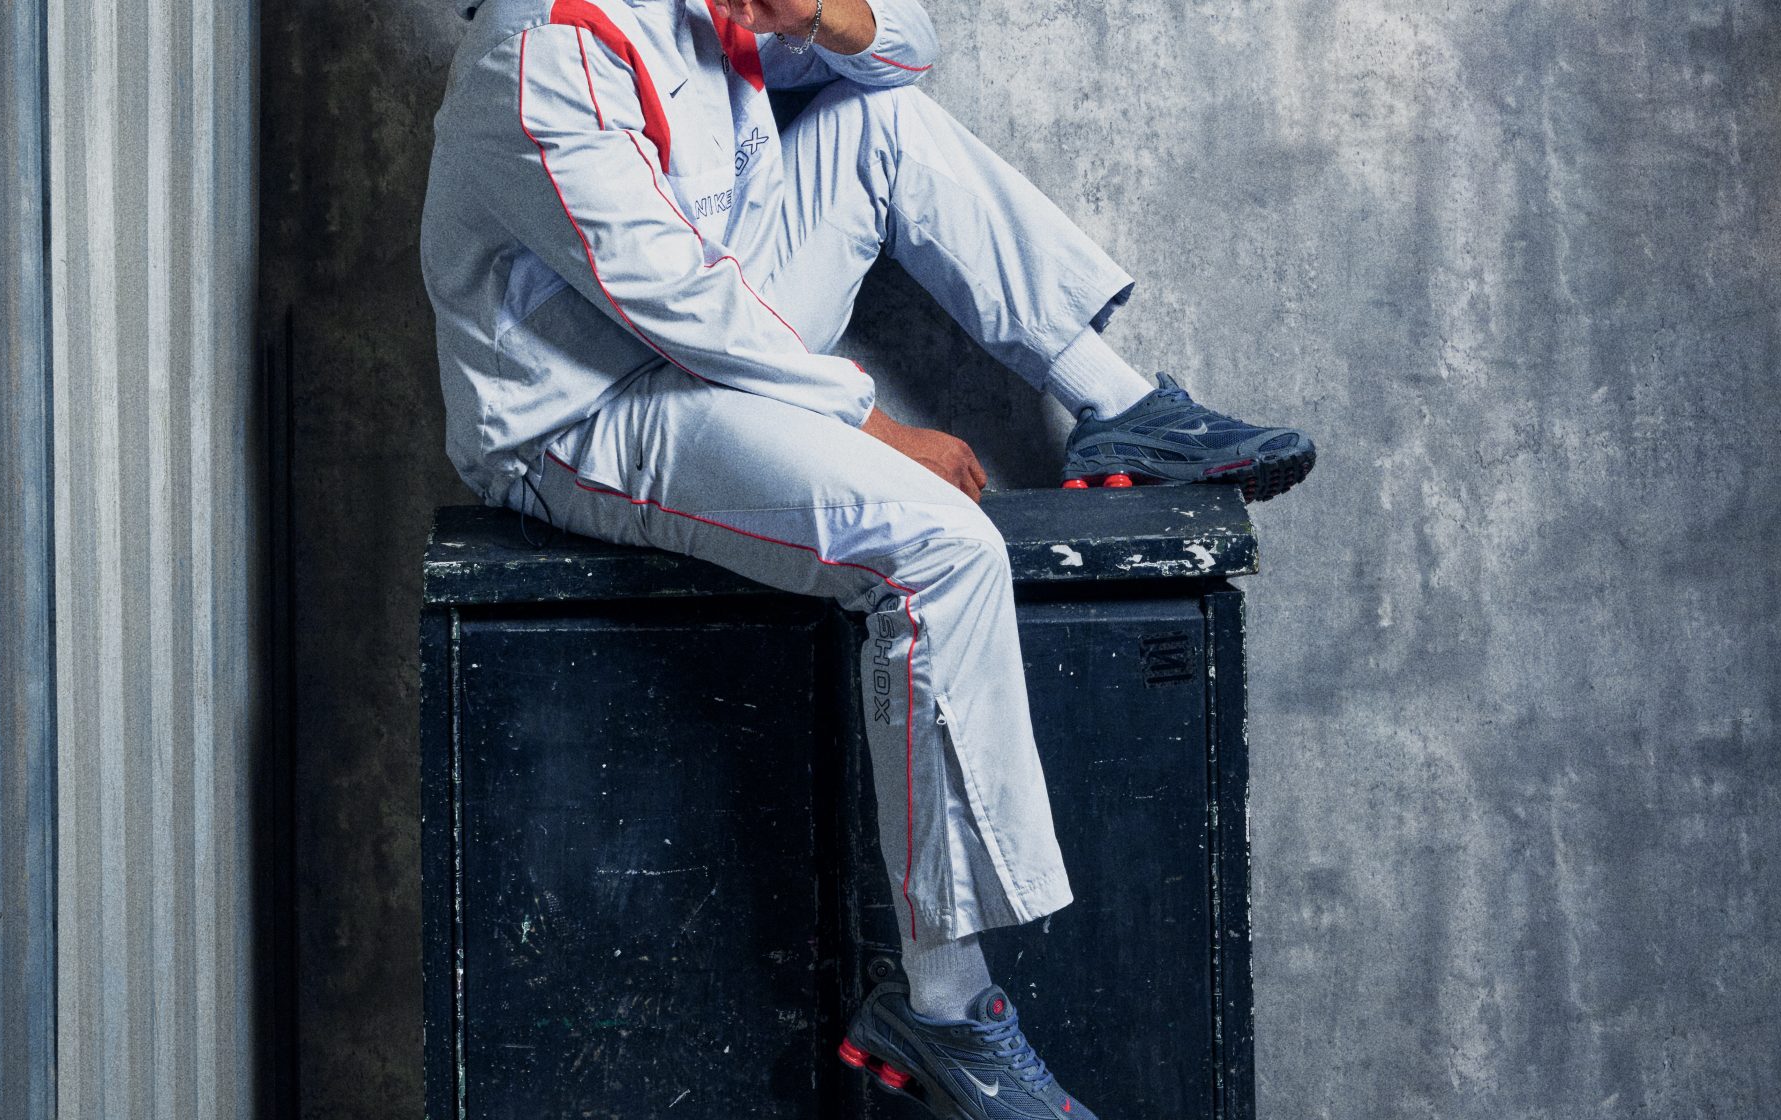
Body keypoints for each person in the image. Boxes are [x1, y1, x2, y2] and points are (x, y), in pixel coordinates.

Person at [420, 0, 1315, 1115]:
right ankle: (943, 1005)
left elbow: (908, 55)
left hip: (705, 334)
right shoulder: (538, 53)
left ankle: (1120, 409)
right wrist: (872, 423)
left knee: (882, 120)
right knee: (942, 549)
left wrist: (821, 15)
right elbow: (676, 301)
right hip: (585, 410)